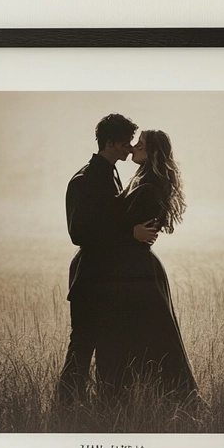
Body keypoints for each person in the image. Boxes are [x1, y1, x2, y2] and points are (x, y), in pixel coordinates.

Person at [91, 129, 198, 407]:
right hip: (134, 268)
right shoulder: (142, 179)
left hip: (137, 272)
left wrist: (125, 234)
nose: (135, 147)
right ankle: (131, 400)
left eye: (141, 144)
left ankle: (165, 402)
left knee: (150, 339)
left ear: (153, 153)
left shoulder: (149, 186)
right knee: (143, 338)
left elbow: (134, 229)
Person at [56, 114, 158, 403]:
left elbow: (109, 221)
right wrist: (131, 235)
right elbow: (79, 233)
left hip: (107, 281)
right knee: (81, 348)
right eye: (126, 143)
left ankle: (105, 409)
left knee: (108, 349)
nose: (129, 148)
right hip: (89, 280)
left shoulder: (111, 173)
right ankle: (65, 408)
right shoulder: (84, 180)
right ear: (110, 143)